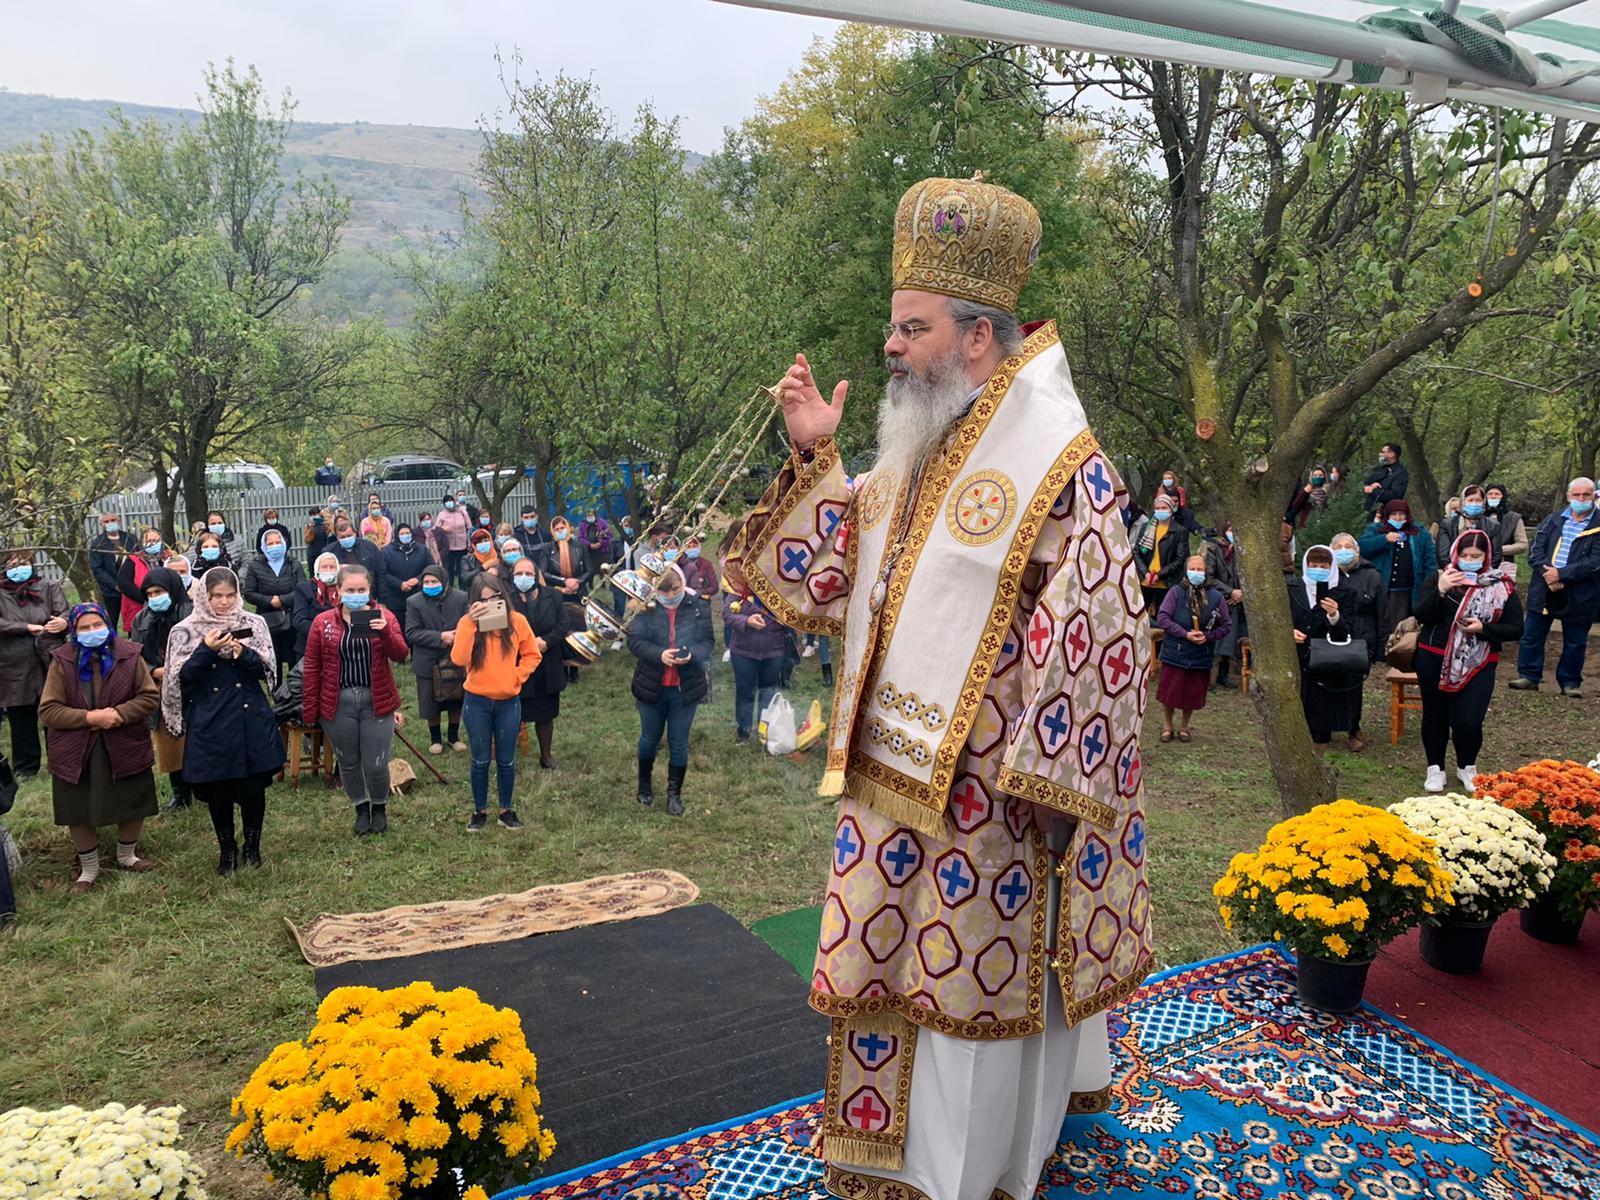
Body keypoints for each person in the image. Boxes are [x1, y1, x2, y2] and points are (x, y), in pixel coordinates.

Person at [724, 176, 1149, 1199]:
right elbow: (830, 578)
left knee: (967, 989)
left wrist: (1041, 775)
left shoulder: (1060, 462)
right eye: (893, 326)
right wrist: (815, 450)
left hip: (991, 804)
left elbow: (1105, 628)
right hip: (886, 783)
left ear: (976, 337)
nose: (889, 346)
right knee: (887, 970)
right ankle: (887, 1153)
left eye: (910, 327)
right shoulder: (920, 448)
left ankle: (980, 1172)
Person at [161, 569, 285, 873]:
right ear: (204, 595)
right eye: (217, 596)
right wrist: (207, 650)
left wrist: (242, 653)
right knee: (219, 790)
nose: (224, 602)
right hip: (211, 718)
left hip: (249, 716)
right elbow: (182, 677)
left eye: (230, 595)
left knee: (252, 788)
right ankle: (226, 850)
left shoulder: (252, 623)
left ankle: (252, 847)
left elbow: (267, 671)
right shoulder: (185, 630)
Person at [39, 602, 161, 892]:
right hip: (76, 747)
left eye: (97, 625)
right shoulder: (62, 660)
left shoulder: (130, 655)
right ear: (73, 630)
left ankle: (127, 855)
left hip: (124, 740)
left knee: (133, 797)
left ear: (108, 624)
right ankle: (89, 868)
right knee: (77, 806)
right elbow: (49, 710)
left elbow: (148, 697)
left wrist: (117, 715)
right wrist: (90, 717)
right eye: (84, 627)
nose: (92, 631)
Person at [302, 564, 410, 836]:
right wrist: (310, 708)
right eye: (350, 590)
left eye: (361, 589)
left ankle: (379, 807)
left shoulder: (383, 615)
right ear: (337, 592)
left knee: (375, 762)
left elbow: (401, 654)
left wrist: (385, 631)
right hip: (339, 701)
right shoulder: (323, 622)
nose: (356, 594)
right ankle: (361, 808)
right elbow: (312, 665)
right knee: (348, 762)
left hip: (377, 698)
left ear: (369, 590)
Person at [1415, 530, 1525, 793]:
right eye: (1464, 555)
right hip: (1434, 657)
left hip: (1479, 662)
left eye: (1476, 556)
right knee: (1435, 715)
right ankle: (1435, 768)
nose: (1469, 560)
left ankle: (1467, 766)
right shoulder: (1439, 578)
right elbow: (1422, 615)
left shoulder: (1500, 585)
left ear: (1487, 556)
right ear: (1455, 554)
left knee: (1469, 720)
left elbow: (1515, 628)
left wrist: (1484, 629)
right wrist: (1440, 591)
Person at [452, 573, 540, 831]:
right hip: (477, 702)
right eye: (484, 600)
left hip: (508, 702)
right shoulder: (468, 623)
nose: (491, 603)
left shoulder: (516, 621)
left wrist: (516, 676)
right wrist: (470, 622)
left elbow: (532, 654)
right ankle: (479, 811)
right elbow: (458, 659)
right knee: (480, 760)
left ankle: (506, 809)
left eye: (496, 597)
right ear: (474, 602)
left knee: (506, 760)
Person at [627, 564, 713, 816]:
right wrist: (659, 654)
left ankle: (674, 794)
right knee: (649, 739)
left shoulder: (697, 606)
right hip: (652, 685)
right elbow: (634, 642)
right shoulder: (646, 607)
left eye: (674, 589)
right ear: (656, 591)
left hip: (684, 687)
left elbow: (708, 642)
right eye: (664, 592)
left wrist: (692, 655)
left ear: (682, 583)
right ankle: (644, 785)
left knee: (678, 743)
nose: (670, 596)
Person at [1510, 476, 1599, 698]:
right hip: (1544, 587)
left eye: (1586, 495)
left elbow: (1595, 561)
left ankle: (1569, 682)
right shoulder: (1553, 520)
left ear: (1594, 496)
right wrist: (1549, 574)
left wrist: (1562, 574)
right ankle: (1529, 676)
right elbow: (1535, 551)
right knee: (1532, 634)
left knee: (1575, 641)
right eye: (1576, 495)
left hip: (1580, 592)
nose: (1581, 499)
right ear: (1569, 497)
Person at [1289, 544, 1378, 754]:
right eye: (1313, 565)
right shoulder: (1292, 588)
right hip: (1299, 656)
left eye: (1323, 565)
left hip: (1328, 659)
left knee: (1324, 713)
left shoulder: (1344, 592)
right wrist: (1290, 632)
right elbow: (1281, 618)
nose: (1318, 569)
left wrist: (1334, 616)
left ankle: (1322, 750)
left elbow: (1347, 631)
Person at [129, 567, 194, 809]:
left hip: (192, 683)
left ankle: (205, 785)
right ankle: (180, 792)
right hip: (160, 685)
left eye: (160, 591)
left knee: (196, 736)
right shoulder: (141, 619)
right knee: (170, 740)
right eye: (150, 593)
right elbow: (134, 654)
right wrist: (154, 670)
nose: (155, 597)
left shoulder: (191, 614)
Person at [0, 553, 69, 779]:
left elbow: (64, 610)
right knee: (21, 713)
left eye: (23, 564)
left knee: (55, 708)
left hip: (49, 655)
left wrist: (64, 621)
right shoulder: (1, 593)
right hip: (14, 660)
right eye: (12, 565)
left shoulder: (49, 586)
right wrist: (26, 627)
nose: (18, 568)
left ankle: (61, 760)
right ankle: (26, 766)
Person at [1155, 554, 1232, 742]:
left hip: (1200, 654)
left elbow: (1226, 625)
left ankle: (1184, 727)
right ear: (1186, 570)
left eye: (1200, 570)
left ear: (1206, 572)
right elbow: (1163, 618)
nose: (1196, 573)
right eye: (1193, 569)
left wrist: (1208, 637)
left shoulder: (1215, 597)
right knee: (1170, 691)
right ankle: (1167, 725)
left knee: (1191, 692)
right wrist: (1184, 634)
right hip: (1176, 650)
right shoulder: (1175, 592)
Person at [403, 562, 468, 754]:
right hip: (427, 659)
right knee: (430, 701)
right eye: (426, 582)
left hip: (455, 655)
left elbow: (467, 622)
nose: (430, 585)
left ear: (445, 581)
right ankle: (435, 738)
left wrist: (457, 636)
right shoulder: (414, 602)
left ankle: (454, 736)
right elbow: (412, 633)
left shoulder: (460, 597)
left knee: (456, 698)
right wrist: (440, 637)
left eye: (434, 581)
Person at [507, 556, 565, 769]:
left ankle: (546, 755)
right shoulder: (506, 599)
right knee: (513, 713)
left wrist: (546, 642)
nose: (524, 577)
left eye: (528, 573)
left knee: (546, 713)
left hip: (547, 663)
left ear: (536, 574)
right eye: (519, 574)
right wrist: (526, 645)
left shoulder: (553, 596)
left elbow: (562, 625)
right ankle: (508, 756)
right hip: (517, 663)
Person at [1358, 498, 1438, 629]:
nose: (1398, 518)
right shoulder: (1377, 530)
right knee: (1384, 625)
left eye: (1401, 514)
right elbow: (1362, 548)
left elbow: (1429, 560)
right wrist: (1384, 539)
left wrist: (1429, 585)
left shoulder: (1419, 532)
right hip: (1384, 588)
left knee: (1406, 628)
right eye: (1393, 514)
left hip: (1410, 590)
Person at [240, 528, 305, 683]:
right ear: (263, 546)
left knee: (293, 657)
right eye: (271, 543)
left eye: (278, 542)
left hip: (291, 617)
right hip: (268, 619)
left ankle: (294, 690)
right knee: (272, 657)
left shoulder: (293, 563)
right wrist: (269, 600)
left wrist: (283, 600)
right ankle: (276, 690)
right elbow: (249, 593)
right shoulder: (256, 566)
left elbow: (302, 588)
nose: (275, 546)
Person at [725, 588, 786, 744]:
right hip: (743, 651)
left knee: (768, 692)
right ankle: (743, 732)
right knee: (745, 692)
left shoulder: (783, 586)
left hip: (773, 650)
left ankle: (764, 732)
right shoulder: (740, 587)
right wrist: (746, 621)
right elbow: (727, 614)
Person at [1202, 525, 1245, 689]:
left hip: (1236, 601)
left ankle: (1223, 674)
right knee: (1211, 637)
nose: (1233, 533)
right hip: (1216, 598)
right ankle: (1206, 676)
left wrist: (1240, 594)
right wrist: (1230, 592)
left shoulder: (1242, 550)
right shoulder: (1214, 548)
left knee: (1230, 638)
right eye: (1230, 529)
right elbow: (1209, 578)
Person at [1133, 492, 1189, 619]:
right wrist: (1146, 573)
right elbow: (1136, 552)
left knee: (1164, 618)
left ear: (1171, 510)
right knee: (1140, 617)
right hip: (1145, 581)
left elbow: (1180, 559)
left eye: (1164, 508)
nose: (1160, 511)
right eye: (1157, 508)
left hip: (1166, 583)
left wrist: (1159, 575)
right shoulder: (1146, 528)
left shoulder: (1180, 531)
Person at [117, 528, 171, 634]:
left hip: (167, 605)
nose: (152, 544)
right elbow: (124, 582)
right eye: (149, 541)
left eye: (155, 540)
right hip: (138, 608)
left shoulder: (168, 558)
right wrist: (146, 598)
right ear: (142, 543)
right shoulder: (134, 559)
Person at [293, 552, 341, 662]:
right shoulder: (304, 588)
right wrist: (327, 633)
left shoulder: (344, 588)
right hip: (310, 645)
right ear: (317, 569)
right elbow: (299, 620)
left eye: (332, 567)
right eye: (324, 567)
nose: (328, 570)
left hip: (338, 647)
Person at [379, 522, 432, 617]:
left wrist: (418, 579)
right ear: (396, 535)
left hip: (418, 594)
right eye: (402, 534)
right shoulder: (386, 551)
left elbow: (430, 567)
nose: (405, 536)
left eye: (407, 533)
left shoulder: (422, 549)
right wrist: (399, 584)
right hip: (395, 598)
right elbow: (383, 573)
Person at [329, 514, 385, 594]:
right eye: (342, 537)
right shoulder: (330, 552)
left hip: (369, 595)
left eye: (349, 535)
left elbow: (381, 572)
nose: (346, 539)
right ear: (337, 537)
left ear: (355, 533)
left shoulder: (369, 547)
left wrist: (382, 600)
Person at [89, 512, 130, 617]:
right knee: (111, 619)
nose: (110, 523)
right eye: (106, 521)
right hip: (110, 591)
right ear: (101, 524)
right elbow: (97, 569)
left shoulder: (130, 538)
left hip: (131, 588)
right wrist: (115, 585)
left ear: (118, 520)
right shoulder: (97, 543)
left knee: (132, 618)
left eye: (113, 520)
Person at [1484, 483, 1529, 563]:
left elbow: (1522, 545)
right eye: (1490, 494)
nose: (1493, 496)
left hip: (1504, 563)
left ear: (1503, 496)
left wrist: (1498, 550)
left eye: (1497, 494)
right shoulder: (1479, 516)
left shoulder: (1514, 518)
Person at [1361, 443, 1410, 515]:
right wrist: (1370, 486)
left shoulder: (1400, 473)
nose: (1380, 454)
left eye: (1383, 452)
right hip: (1368, 510)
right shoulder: (1380, 468)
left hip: (1385, 513)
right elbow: (1365, 482)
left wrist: (1374, 491)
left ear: (1391, 454)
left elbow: (1395, 495)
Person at [434, 492, 471, 583]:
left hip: (462, 546)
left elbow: (469, 527)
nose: (449, 503)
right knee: (449, 569)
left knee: (461, 568)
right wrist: (443, 529)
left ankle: (463, 588)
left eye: (451, 500)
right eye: (447, 501)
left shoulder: (462, 513)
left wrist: (469, 543)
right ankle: (449, 586)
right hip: (448, 547)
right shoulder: (442, 514)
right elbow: (436, 529)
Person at [1284, 465, 1332, 529]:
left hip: (1325, 525)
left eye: (1320, 475)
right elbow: (1295, 504)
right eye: (1315, 475)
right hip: (1307, 526)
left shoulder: (1329, 490)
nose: (1317, 477)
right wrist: (1305, 492)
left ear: (1324, 477)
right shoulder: (1307, 490)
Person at [459, 527, 503, 592]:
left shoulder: (499, 556)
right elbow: (465, 578)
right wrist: (483, 567)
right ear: (474, 545)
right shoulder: (467, 559)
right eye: (479, 542)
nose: (483, 544)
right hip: (475, 593)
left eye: (486, 541)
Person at [304, 506, 333, 570]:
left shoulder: (326, 525)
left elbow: (331, 536)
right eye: (311, 515)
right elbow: (307, 540)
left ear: (320, 514)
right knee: (313, 572)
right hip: (312, 553)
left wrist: (326, 526)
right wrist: (310, 529)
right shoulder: (308, 526)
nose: (313, 517)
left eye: (314, 514)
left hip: (324, 552)